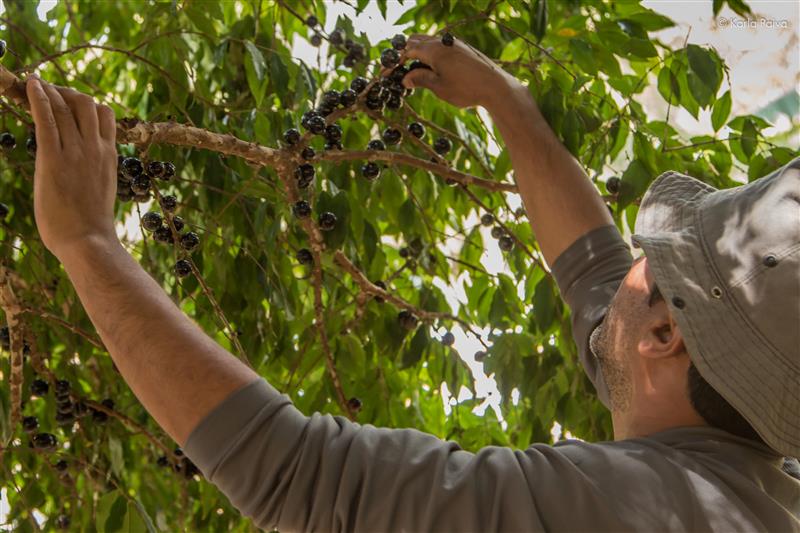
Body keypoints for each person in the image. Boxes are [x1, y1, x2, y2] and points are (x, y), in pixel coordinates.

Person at [24, 32, 798, 532]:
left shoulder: (632, 509)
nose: (631, 262)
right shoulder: (748, 458)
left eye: (655, 264)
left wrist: (87, 242)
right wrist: (506, 101)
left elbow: (305, 477)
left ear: (665, 335)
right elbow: (598, 280)